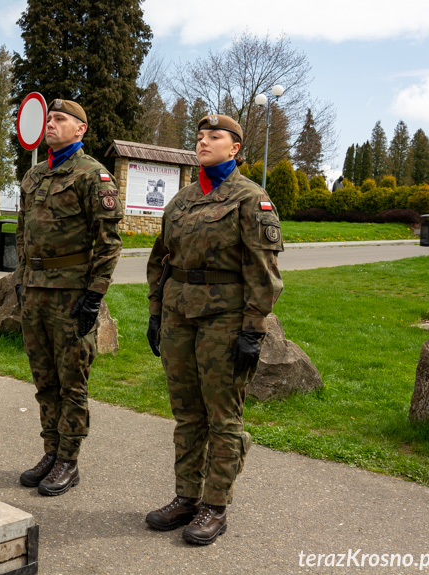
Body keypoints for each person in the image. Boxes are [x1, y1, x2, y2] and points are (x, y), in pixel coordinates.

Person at [144, 114, 284, 545]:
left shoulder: (250, 199)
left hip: (225, 321)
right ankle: (186, 497)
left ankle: (215, 505)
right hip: (179, 316)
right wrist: (155, 312)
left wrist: (253, 330)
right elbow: (160, 259)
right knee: (187, 413)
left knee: (223, 417)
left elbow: (264, 274)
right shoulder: (182, 200)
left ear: (235, 148)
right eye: (200, 136)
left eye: (214, 137)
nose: (203, 142)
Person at [15, 99, 123, 496]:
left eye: (60, 119)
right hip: (36, 291)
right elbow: (23, 233)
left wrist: (94, 296)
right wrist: (22, 280)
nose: (51, 124)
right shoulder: (35, 175)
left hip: (71, 294)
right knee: (44, 379)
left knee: (71, 380)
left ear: (81, 129)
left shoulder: (93, 176)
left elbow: (109, 242)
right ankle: (50, 449)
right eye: (49, 118)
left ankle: (69, 460)